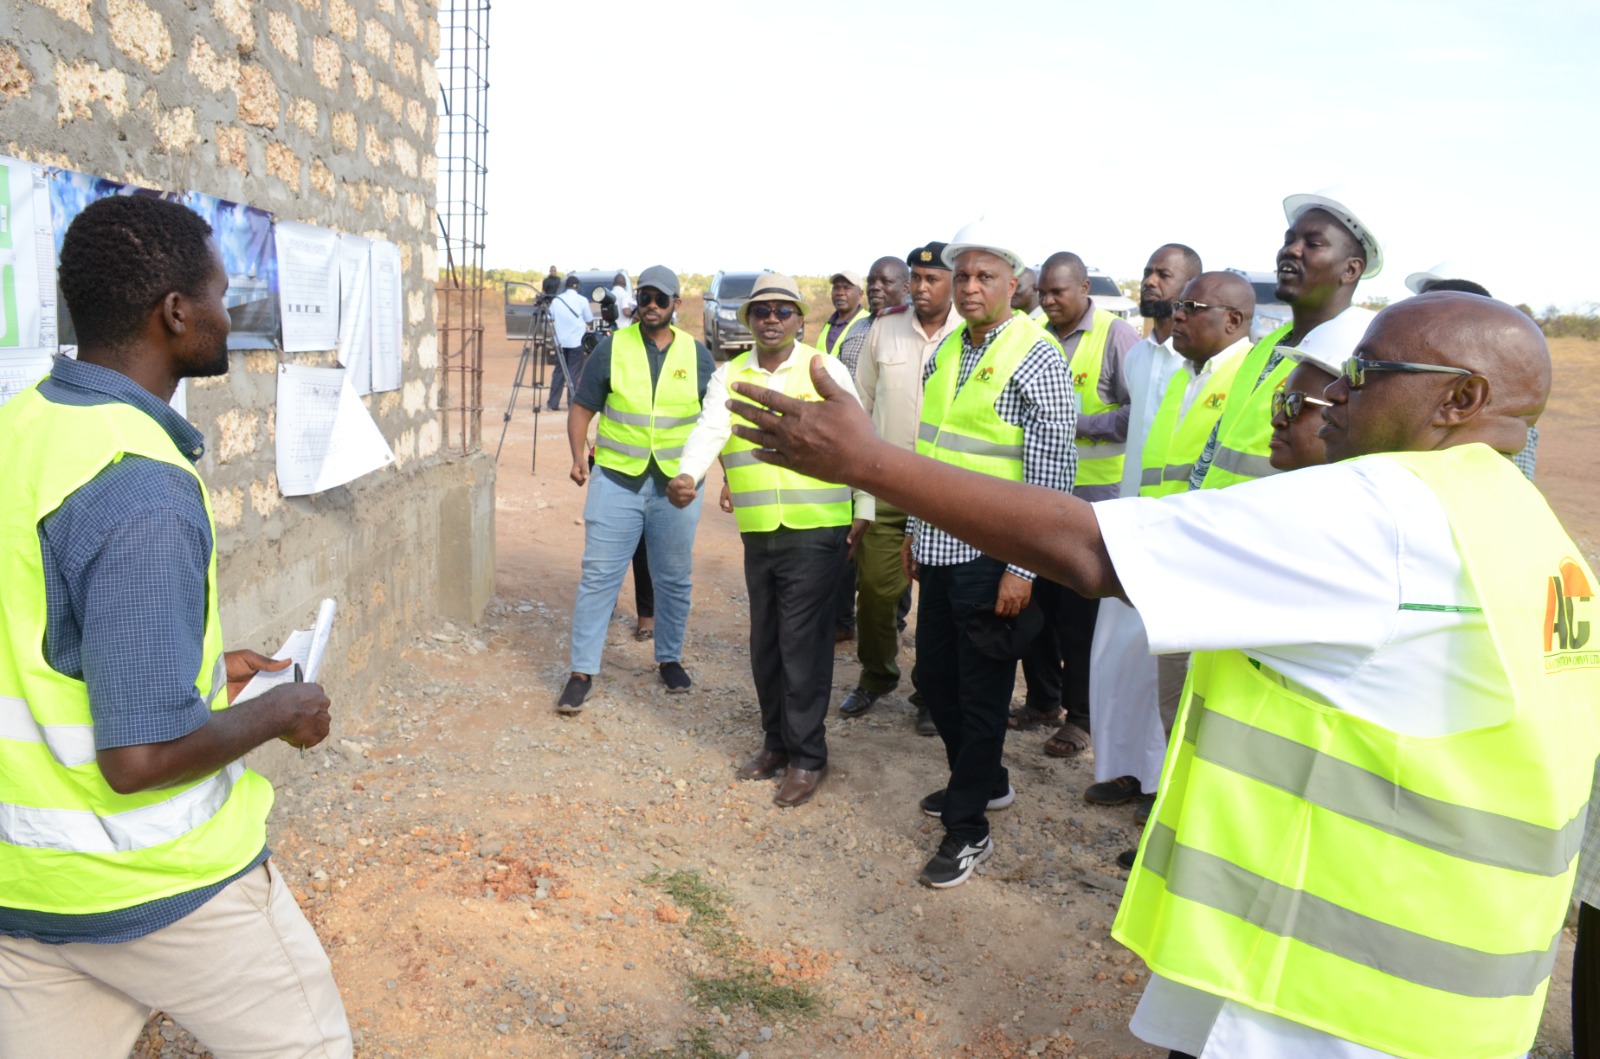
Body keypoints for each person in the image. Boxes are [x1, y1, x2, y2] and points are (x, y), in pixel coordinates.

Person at [725, 290, 1597, 1059]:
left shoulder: (1389, 509)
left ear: (1462, 397)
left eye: (1366, 374)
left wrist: (868, 463)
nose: (1336, 394)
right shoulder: (1531, 533)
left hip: (1335, 1001)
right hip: (1449, 983)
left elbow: (1090, 551)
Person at [0, 195, 350, 1056]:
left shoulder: (20, 428)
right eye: (223, 294)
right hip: (161, 886)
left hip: (30, 888)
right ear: (175, 313)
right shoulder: (141, 481)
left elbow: (45, 639)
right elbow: (138, 761)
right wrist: (280, 710)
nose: (231, 315)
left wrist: (203, 675)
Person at [903, 221, 1077, 888]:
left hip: (994, 556)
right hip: (942, 546)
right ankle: (988, 780)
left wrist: (1024, 566)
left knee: (981, 698)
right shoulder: (949, 348)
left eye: (986, 277)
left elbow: (1052, 473)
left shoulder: (1036, 354)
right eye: (964, 276)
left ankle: (969, 827)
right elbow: (932, 453)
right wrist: (919, 531)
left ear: (1014, 284)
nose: (971, 287)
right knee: (938, 684)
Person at [667, 273, 867, 809]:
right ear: (747, 320)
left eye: (783, 310)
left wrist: (865, 507)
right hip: (761, 532)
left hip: (817, 529)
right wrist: (688, 475)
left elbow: (859, 440)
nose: (772, 319)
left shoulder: (823, 369)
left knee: (803, 646)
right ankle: (776, 743)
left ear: (801, 319)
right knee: (767, 646)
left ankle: (808, 757)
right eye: (762, 311)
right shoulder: (730, 374)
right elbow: (711, 428)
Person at [558, 265, 714, 711]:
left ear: (675, 306)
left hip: (677, 486)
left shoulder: (698, 355)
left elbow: (716, 422)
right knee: (598, 577)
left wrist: (728, 481)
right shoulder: (612, 348)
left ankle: (669, 659)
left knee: (673, 579)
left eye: (660, 299)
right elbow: (582, 407)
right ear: (635, 301)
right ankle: (581, 672)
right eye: (644, 297)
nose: (650, 305)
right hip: (616, 480)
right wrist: (576, 456)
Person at [1084, 243, 1202, 815]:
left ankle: (1160, 785)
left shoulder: (1203, 365)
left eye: (1165, 274)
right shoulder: (1138, 358)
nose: (1152, 281)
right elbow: (1130, 424)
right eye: (1149, 272)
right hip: (1126, 522)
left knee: (1165, 660)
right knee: (1116, 656)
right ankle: (1123, 768)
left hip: (1177, 532)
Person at [1013, 251, 1142, 759]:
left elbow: (1139, 412)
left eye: (1057, 293)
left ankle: (1082, 718)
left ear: (1083, 288)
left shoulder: (1116, 336)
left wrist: (1076, 424)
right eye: (1042, 293)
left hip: (1095, 501)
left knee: (1080, 616)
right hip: (1043, 494)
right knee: (1036, 604)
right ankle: (1042, 702)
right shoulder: (1033, 336)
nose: (1047, 302)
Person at [842, 242, 963, 733]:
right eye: (915, 278)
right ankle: (876, 675)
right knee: (874, 590)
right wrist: (862, 493)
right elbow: (861, 411)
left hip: (947, 489)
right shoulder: (882, 330)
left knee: (941, 600)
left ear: (953, 282)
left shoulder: (970, 335)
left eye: (932, 278)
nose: (920, 287)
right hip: (888, 484)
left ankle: (930, 693)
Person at [1189, 188, 1380, 491]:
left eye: (1313, 243)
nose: (1291, 250)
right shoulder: (1268, 344)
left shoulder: (1355, 354)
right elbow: (1221, 436)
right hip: (1220, 522)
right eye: (1289, 240)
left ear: (1350, 269)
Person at [832, 256, 912, 647]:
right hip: (866, 464)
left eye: (887, 281)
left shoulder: (924, 331)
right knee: (862, 556)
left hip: (917, 467)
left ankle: (896, 626)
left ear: (906, 286)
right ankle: (859, 635)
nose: (878, 287)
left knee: (906, 559)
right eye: (873, 280)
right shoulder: (860, 329)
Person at [838, 256, 909, 377]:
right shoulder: (857, 326)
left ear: (905, 289)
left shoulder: (912, 328)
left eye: (885, 282)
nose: (874, 287)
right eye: (870, 281)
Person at [547, 274, 594, 412]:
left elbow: (550, 317)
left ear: (567, 285)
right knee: (574, 372)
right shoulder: (582, 300)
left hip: (560, 342)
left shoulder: (557, 300)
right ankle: (571, 402)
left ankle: (553, 403)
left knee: (558, 372)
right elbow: (589, 319)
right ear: (577, 287)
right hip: (576, 342)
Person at [818, 269, 868, 357]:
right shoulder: (828, 324)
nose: (840, 293)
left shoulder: (868, 323)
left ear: (860, 294)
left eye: (847, 288)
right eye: (836, 288)